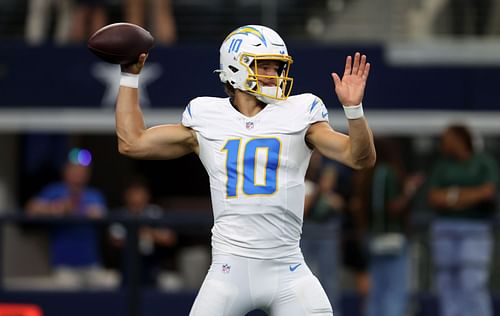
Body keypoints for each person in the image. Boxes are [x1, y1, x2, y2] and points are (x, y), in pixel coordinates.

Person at [114, 25, 376, 315]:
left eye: (277, 67)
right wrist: (129, 76)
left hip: (287, 268)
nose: (274, 75)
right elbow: (132, 142)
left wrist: (354, 111)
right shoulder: (207, 115)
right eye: (265, 66)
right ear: (235, 67)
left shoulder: (301, 112)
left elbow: (359, 158)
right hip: (229, 270)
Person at [427, 124, 498, 316]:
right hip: (444, 229)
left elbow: (487, 192)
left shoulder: (483, 162)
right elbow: (433, 197)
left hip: (475, 229)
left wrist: (451, 197)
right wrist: (468, 197)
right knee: (446, 283)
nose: (443, 142)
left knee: (472, 282)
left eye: (447, 138)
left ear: (460, 139)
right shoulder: (442, 165)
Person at [351, 137, 424, 316]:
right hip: (392, 238)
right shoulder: (388, 173)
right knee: (395, 293)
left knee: (376, 292)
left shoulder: (368, 174)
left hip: (372, 238)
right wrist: (409, 191)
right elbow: (393, 207)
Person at [26, 149, 117, 289]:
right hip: (64, 266)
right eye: (74, 169)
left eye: (82, 170)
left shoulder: (94, 195)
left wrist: (95, 214)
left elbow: (104, 215)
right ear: (66, 170)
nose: (78, 173)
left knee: (110, 286)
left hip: (91, 264)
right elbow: (31, 209)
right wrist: (56, 209)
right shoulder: (54, 191)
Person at [108, 177, 178, 287]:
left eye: (140, 193)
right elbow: (115, 240)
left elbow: (169, 239)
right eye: (133, 193)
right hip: (125, 267)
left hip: (153, 266)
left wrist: (150, 233)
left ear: (147, 195)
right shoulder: (121, 215)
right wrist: (137, 233)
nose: (137, 198)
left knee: (173, 283)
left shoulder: (155, 212)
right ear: (126, 195)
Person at [302, 158, 346, 315]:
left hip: (327, 234)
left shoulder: (330, 165)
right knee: (305, 279)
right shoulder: (300, 168)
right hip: (305, 233)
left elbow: (340, 203)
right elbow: (304, 209)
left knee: (330, 281)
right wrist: (318, 191)